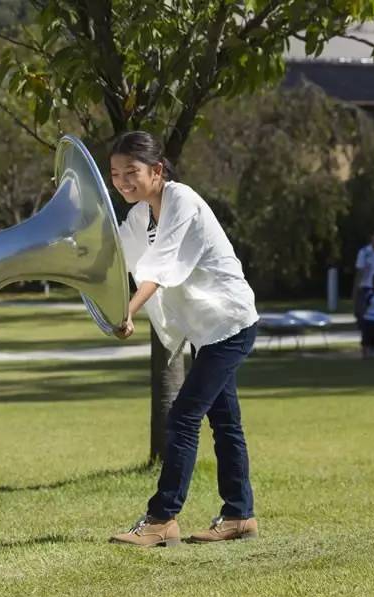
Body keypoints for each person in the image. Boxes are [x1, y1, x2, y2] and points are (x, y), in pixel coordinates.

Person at [107, 131, 260, 548]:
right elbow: (112, 254)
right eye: (116, 174)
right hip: (205, 329)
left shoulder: (182, 201)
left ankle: (162, 519)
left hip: (231, 322)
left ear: (157, 170)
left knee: (184, 416)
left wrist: (128, 312)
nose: (122, 181)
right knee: (225, 423)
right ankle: (239, 515)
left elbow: (157, 268)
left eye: (131, 172)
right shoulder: (140, 215)